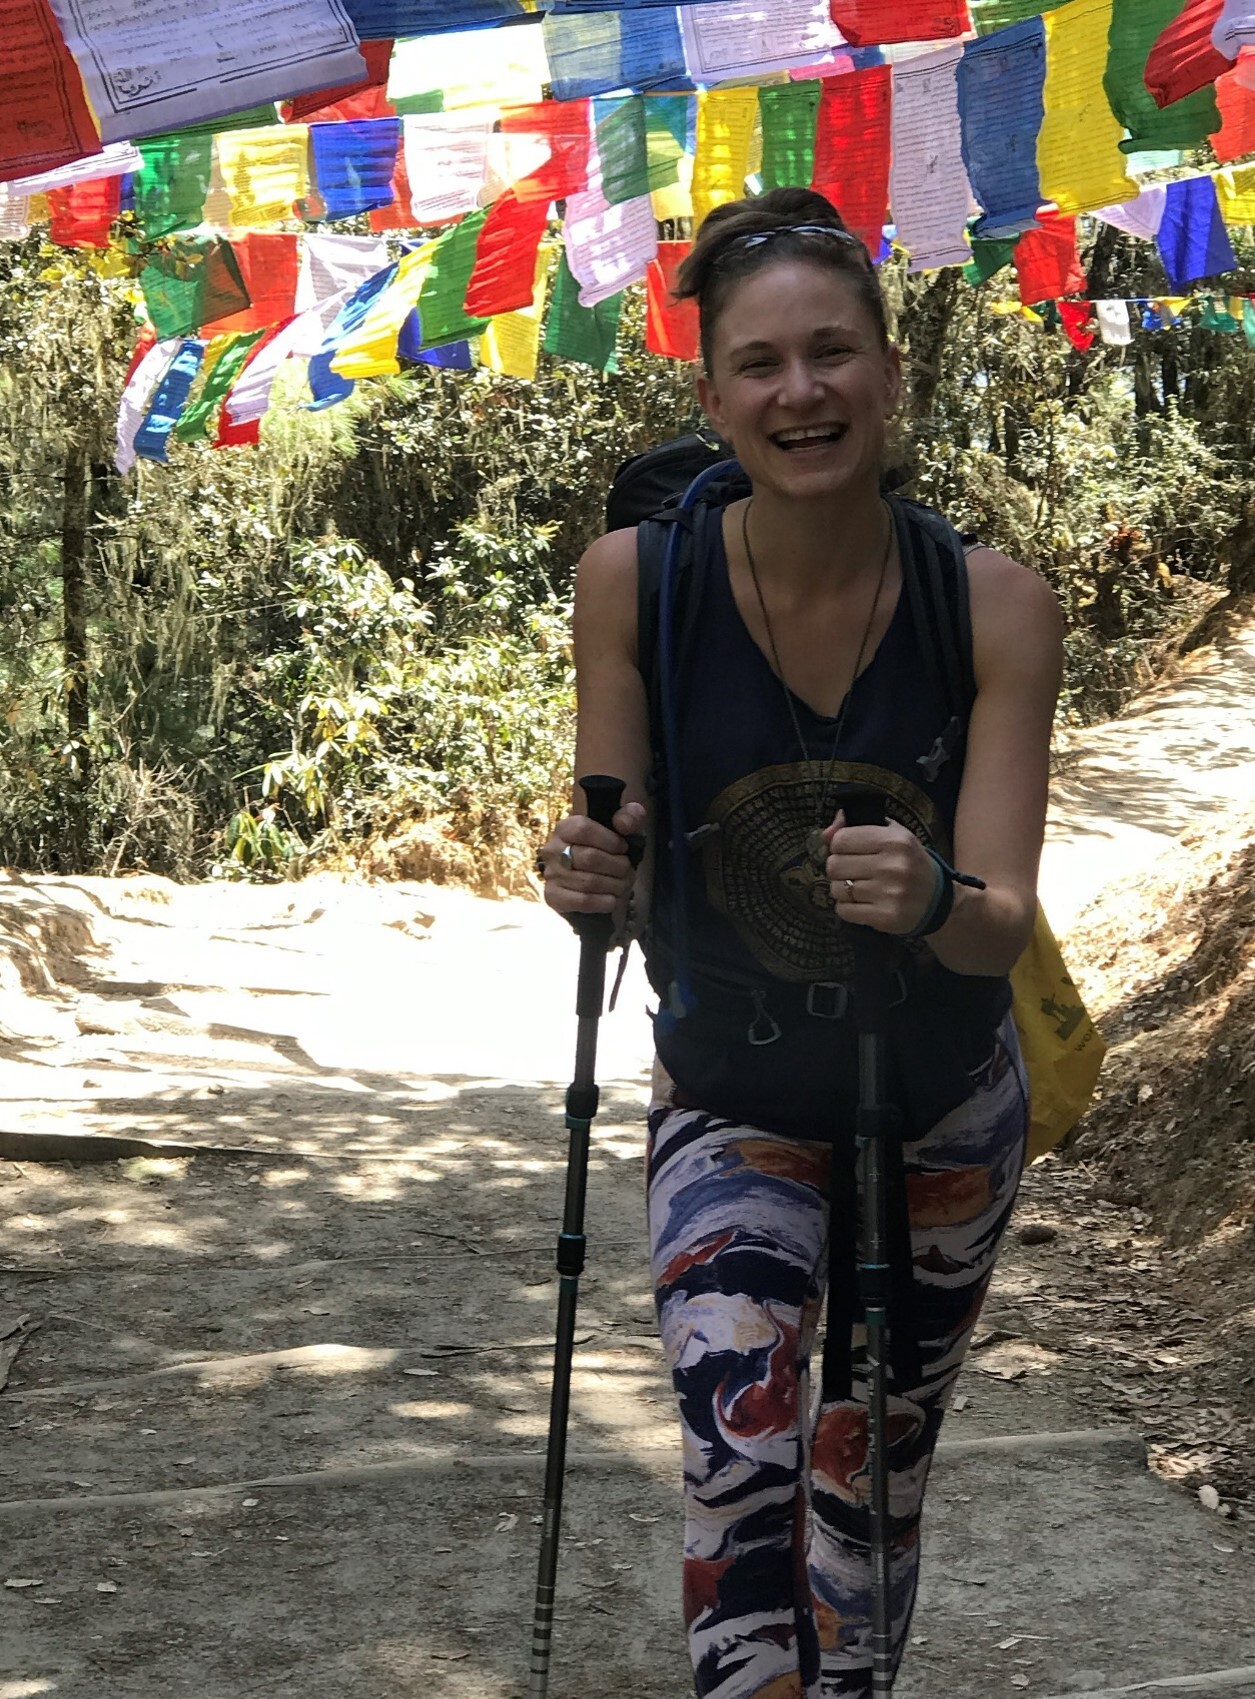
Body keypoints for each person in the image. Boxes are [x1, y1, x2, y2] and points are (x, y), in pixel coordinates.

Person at [538, 186, 1062, 1699]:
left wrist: (935, 900)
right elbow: (617, 822)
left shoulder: (999, 608)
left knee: (868, 1475)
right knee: (739, 1451)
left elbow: (1002, 929)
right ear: (711, 396)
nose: (802, 392)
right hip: (734, 1087)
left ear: (891, 373)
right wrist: (590, 865)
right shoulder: (636, 582)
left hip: (943, 1096)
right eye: (760, 365)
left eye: (834, 353)